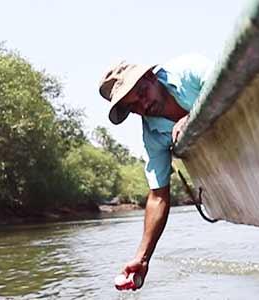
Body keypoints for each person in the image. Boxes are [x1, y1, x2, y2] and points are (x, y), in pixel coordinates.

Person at [98, 54, 211, 290]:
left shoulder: (191, 70)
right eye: (133, 106)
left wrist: (192, 117)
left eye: (141, 94)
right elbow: (158, 196)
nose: (143, 106)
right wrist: (142, 257)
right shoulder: (152, 135)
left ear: (150, 76)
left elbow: (227, 86)